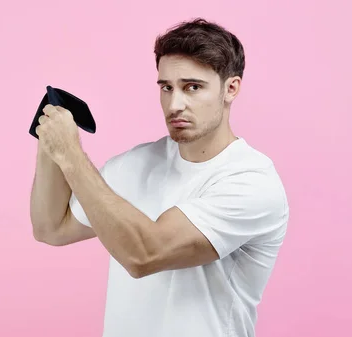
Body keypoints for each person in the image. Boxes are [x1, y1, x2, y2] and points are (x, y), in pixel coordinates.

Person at [30, 17, 289, 337]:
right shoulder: (133, 165)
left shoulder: (251, 182)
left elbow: (144, 255)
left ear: (230, 88)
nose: (175, 104)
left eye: (192, 87)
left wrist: (71, 155)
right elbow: (51, 228)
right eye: (167, 87)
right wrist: (51, 139)